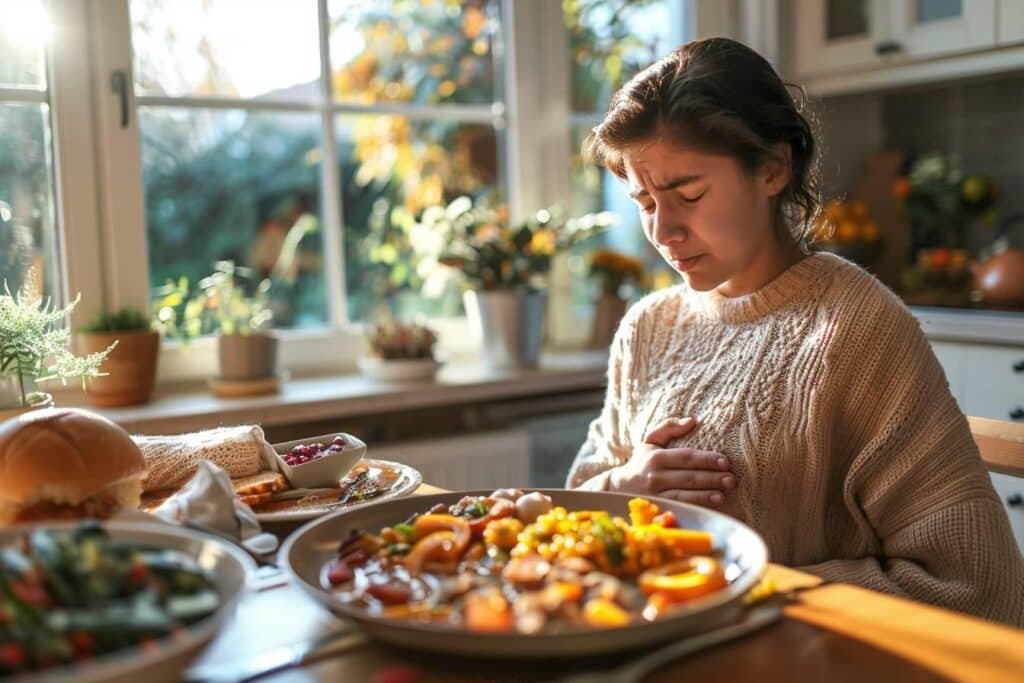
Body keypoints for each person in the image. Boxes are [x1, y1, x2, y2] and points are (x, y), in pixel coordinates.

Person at [566, 37, 1023, 626]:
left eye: (688, 193)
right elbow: (574, 503)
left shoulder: (854, 327)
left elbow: (976, 584)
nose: (663, 229)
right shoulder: (647, 327)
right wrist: (624, 486)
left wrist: (745, 591)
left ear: (773, 169)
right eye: (643, 199)